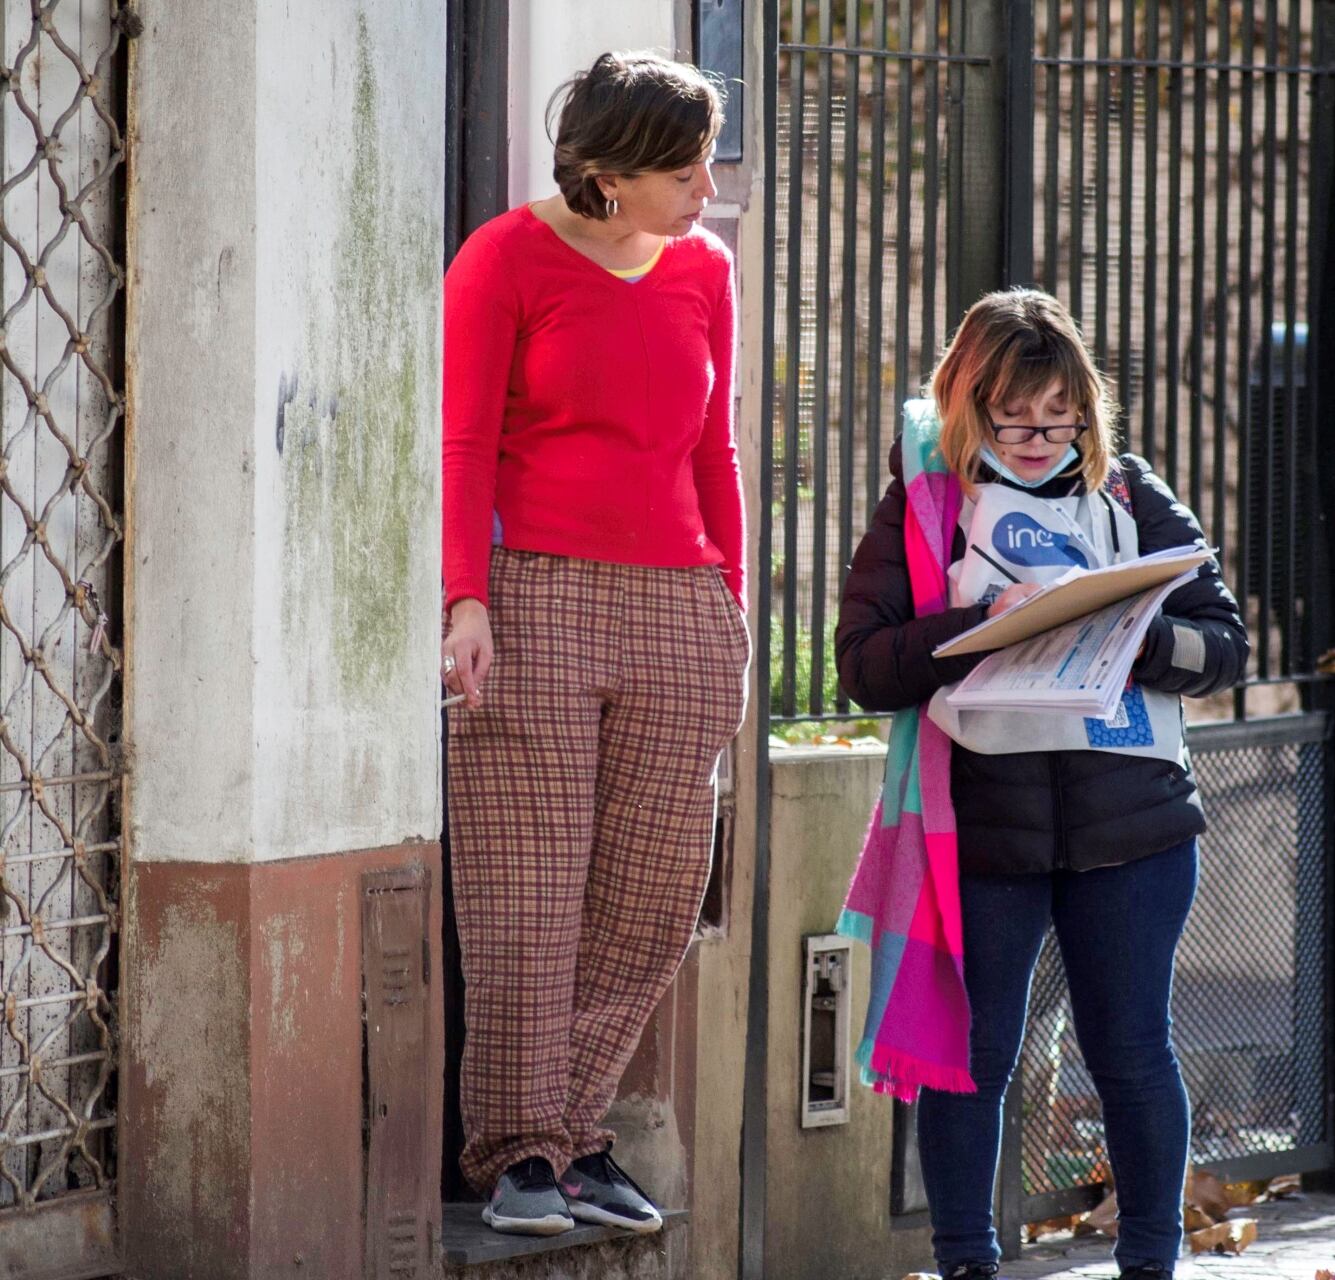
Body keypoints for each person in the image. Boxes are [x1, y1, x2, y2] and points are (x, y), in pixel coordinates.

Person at [836, 289, 1249, 1280]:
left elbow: (1225, 644)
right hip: (985, 830)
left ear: (1086, 410)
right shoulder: (925, 507)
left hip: (1136, 828)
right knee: (974, 1060)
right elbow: (863, 665)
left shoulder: (1130, 494)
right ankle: (967, 1260)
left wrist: (1139, 636)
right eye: (1015, 420)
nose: (1037, 439)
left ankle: (1151, 1261)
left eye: (1058, 418)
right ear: (968, 408)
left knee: (1132, 1051)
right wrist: (971, 628)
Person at [439, 51, 748, 1237]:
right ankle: (519, 1152)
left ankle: (570, 1132)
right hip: (537, 592)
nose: (706, 188)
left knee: (656, 890)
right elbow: (467, 443)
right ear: (607, 174)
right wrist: (468, 599)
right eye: (683, 169)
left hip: (678, 600)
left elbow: (713, 446)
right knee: (529, 885)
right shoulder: (504, 258)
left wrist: (729, 593)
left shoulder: (705, 268)